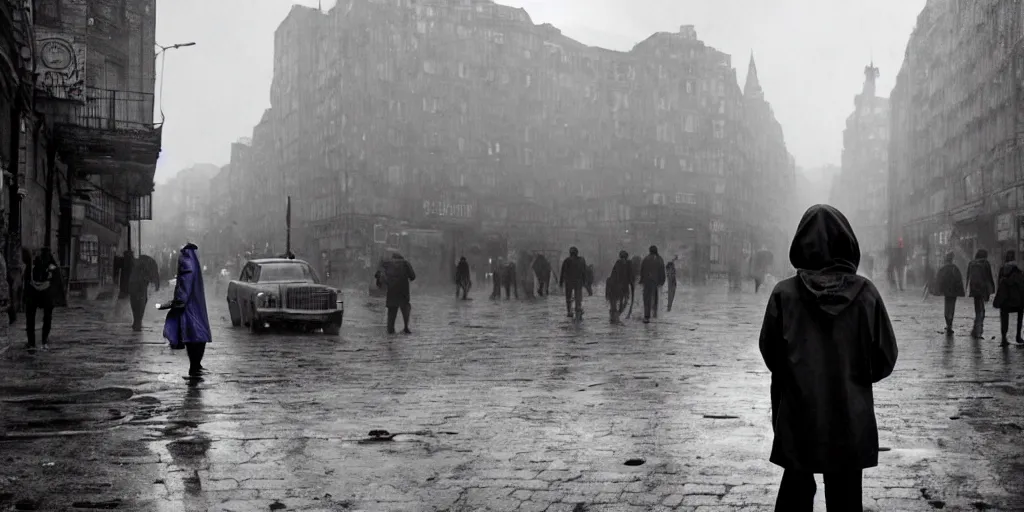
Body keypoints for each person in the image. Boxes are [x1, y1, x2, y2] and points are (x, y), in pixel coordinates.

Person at [758, 204, 898, 511]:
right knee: (846, 499)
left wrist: (799, 374)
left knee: (794, 493)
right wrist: (853, 375)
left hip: (798, 416)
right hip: (850, 416)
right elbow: (885, 357)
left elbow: (771, 353)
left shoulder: (784, 294)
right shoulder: (866, 294)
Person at [162, 243, 211, 378]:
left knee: (192, 335)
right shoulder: (193, 262)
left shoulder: (186, 262)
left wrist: (179, 300)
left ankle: (194, 366)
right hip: (195, 304)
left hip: (189, 306)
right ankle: (196, 366)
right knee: (198, 335)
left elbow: (184, 284)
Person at [24, 248, 65, 352]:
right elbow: (57, 282)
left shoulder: (32, 265)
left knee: (31, 318)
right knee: (46, 318)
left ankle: (32, 342)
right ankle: (43, 341)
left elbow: (26, 279)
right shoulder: (52, 265)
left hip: (34, 295)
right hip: (46, 295)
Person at [992, 250, 1024, 346]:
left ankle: (1003, 338)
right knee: (1020, 316)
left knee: (1004, 317)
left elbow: (999, 284)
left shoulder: (1002, 269)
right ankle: (1018, 336)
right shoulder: (1018, 270)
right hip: (1017, 299)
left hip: (1005, 299)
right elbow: (1022, 285)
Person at [930, 252, 965, 335]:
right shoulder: (955, 268)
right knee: (952, 308)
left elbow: (939, 280)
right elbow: (959, 280)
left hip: (946, 292)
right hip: (954, 292)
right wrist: (960, 291)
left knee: (947, 307)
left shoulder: (943, 269)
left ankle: (948, 324)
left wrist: (938, 290)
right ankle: (950, 324)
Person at [966, 249, 995, 339]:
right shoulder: (985, 263)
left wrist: (967, 288)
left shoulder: (971, 263)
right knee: (981, 311)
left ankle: (975, 330)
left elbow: (968, 277)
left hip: (974, 289)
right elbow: (989, 277)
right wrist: (992, 289)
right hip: (983, 289)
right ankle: (978, 332)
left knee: (978, 310)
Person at [384, 252, 416, 334]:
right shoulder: (405, 264)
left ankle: (390, 333)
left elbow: (382, 278)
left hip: (391, 294)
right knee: (405, 310)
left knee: (391, 315)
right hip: (403, 293)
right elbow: (413, 276)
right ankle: (406, 328)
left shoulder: (388, 264)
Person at [606, 250, 635, 324]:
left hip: (615, 287)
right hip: (620, 287)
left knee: (616, 303)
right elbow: (631, 276)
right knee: (623, 302)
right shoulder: (628, 263)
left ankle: (614, 317)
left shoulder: (618, 263)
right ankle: (616, 316)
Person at [640, 246, 666, 323]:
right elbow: (662, 270)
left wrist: (642, 280)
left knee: (646, 298)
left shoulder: (646, 259)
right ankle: (654, 314)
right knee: (655, 297)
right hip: (655, 281)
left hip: (647, 281)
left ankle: (647, 316)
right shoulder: (659, 259)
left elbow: (642, 270)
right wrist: (662, 281)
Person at [559, 247, 587, 318]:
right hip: (578, 282)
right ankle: (578, 308)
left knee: (568, 297)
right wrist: (585, 281)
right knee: (578, 297)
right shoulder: (581, 260)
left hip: (569, 282)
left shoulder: (567, 260)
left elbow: (563, 272)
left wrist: (561, 282)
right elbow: (584, 271)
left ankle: (569, 311)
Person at [114, 249, 134, 320]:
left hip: (124, 286)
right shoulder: (134, 262)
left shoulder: (123, 261)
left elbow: (116, 263)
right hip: (131, 287)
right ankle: (126, 314)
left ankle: (118, 314)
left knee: (121, 302)